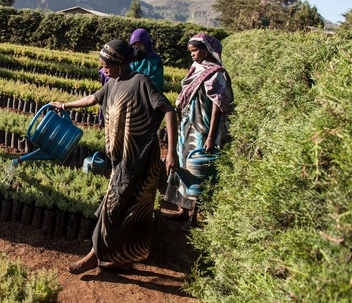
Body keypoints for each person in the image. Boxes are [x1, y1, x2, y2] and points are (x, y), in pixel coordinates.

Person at [52, 40, 178, 275]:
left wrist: (171, 152)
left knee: (113, 207)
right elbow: (92, 98)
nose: (104, 70)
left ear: (120, 63)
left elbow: (168, 110)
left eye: (106, 65)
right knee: (126, 208)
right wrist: (65, 105)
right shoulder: (112, 83)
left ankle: (93, 255)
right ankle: (123, 258)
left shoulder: (141, 82)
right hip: (122, 160)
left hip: (140, 160)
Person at [162, 33, 234, 228]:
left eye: (195, 51)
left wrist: (211, 136)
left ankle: (194, 216)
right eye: (190, 51)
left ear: (207, 50)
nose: (192, 55)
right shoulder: (196, 68)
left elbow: (218, 106)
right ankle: (182, 209)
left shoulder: (217, 73)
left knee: (198, 169)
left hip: (203, 128)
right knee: (183, 163)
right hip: (188, 125)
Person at [98, 28, 164, 125]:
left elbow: (155, 82)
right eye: (134, 44)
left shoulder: (155, 61)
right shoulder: (128, 58)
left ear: (146, 43)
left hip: (142, 100)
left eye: (139, 43)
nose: (136, 46)